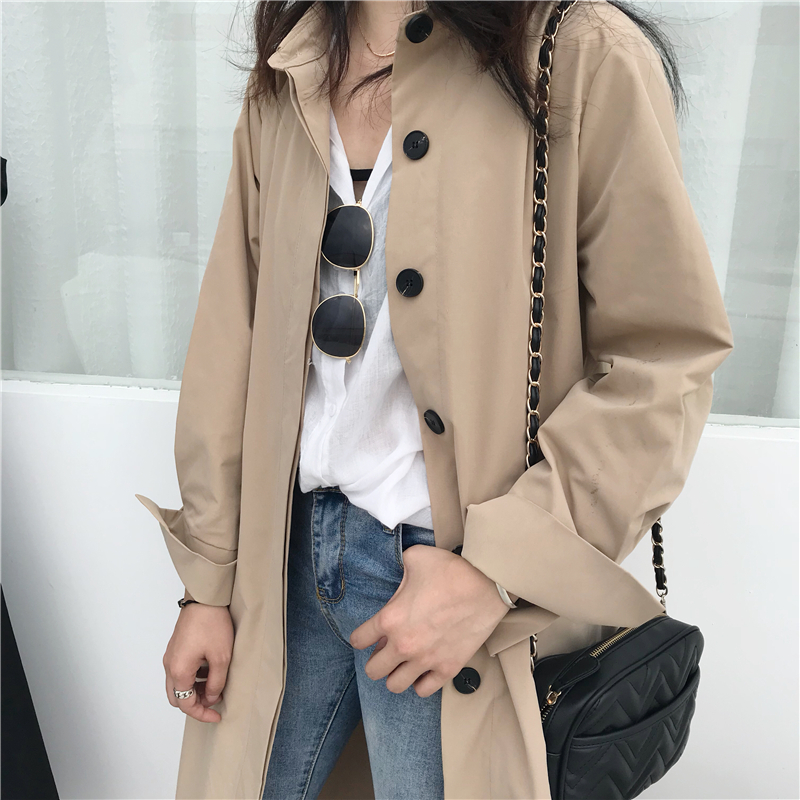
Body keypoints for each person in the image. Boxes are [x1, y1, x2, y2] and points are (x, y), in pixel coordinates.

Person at [135, 2, 735, 798]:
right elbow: (231, 338)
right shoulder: (297, 56)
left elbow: (662, 358)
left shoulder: (579, 52)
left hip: (452, 581)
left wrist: (496, 572)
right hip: (280, 569)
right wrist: (208, 583)